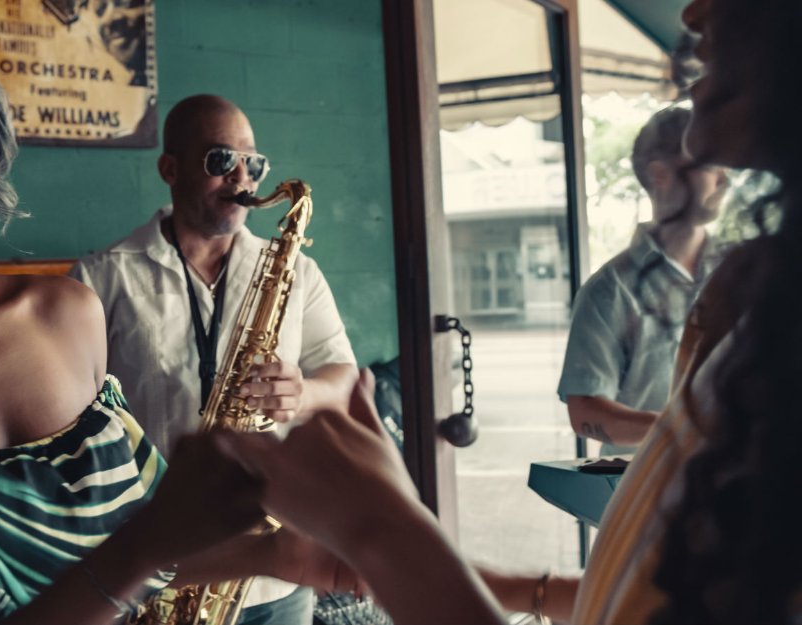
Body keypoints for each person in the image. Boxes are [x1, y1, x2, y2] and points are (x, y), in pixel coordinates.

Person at [221, 0, 802, 622]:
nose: (693, 13)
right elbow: (681, 582)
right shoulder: (747, 292)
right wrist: (512, 586)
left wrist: (385, 531)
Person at [0, 14, 355, 624]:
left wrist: (281, 553)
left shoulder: (65, 313)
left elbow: (112, 550)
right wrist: (149, 548)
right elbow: (136, 553)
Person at [70, 94, 359, 625]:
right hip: (156, 567)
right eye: (221, 160)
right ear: (170, 168)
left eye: (254, 163)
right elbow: (69, 426)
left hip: (274, 573)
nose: (243, 178)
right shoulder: (101, 278)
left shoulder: (298, 271)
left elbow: (343, 375)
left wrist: (304, 393)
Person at [558, 107, 728, 455]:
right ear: (660, 174)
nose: (723, 179)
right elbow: (585, 413)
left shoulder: (739, 271)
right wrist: (694, 431)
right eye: (709, 164)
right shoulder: (609, 292)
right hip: (649, 502)